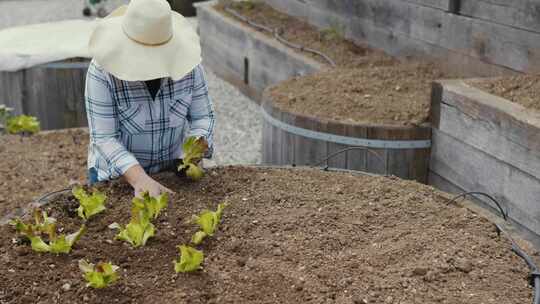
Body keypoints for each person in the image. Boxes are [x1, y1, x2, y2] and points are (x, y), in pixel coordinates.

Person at [84, 0, 215, 197]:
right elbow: (104, 138)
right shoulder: (102, 72)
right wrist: (139, 179)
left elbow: (203, 116)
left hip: (172, 173)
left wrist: (191, 154)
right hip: (117, 177)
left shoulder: (190, 67)